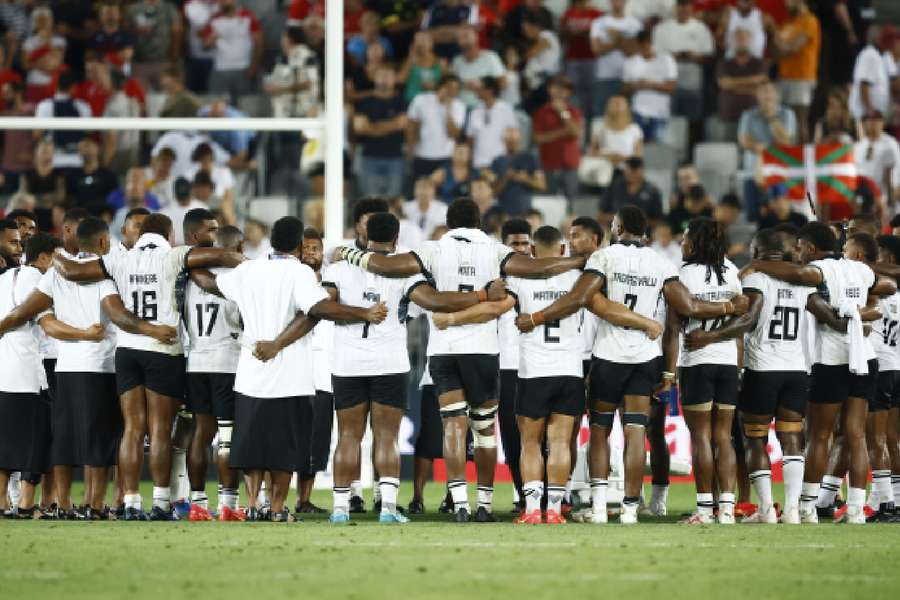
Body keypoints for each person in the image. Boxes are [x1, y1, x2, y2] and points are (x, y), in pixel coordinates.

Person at [333, 198, 591, 522]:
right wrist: (577, 261)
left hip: (444, 351)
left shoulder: (433, 249)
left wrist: (349, 252)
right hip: (483, 350)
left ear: (449, 222)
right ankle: (484, 505)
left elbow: (385, 266)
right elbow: (538, 269)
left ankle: (460, 506)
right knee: (484, 432)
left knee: (453, 428)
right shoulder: (495, 250)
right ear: (479, 222)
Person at [515, 205, 749, 524]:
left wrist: (537, 317)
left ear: (619, 227)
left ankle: (598, 507)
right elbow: (687, 306)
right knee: (636, 431)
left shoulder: (605, 257)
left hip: (609, 355)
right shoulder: (661, 262)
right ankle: (628, 509)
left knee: (599, 430)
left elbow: (580, 297)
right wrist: (727, 305)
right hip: (645, 358)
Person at [51, 213, 244, 520]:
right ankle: (160, 502)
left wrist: (54, 255)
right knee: (159, 431)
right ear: (169, 236)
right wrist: (249, 263)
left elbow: (75, 272)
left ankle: (130, 502)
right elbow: (221, 254)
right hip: (162, 348)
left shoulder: (119, 260)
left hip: (127, 350)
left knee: (132, 429)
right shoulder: (173, 256)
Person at [208, 216, 389, 522]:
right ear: (297, 245)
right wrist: (364, 313)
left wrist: (188, 262)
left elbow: (212, 284)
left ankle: (253, 505)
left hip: (251, 371)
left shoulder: (247, 270)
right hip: (291, 376)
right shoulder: (299, 272)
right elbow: (319, 309)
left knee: (251, 445)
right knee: (283, 447)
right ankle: (278, 509)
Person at [747, 224, 892, 524]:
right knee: (856, 435)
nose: (797, 252)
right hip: (864, 358)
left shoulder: (817, 269)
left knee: (819, 435)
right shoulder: (860, 270)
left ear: (811, 248)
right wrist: (859, 307)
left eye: (800, 247)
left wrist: (758, 263)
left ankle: (808, 507)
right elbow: (888, 285)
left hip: (831, 360)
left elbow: (800, 276)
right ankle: (855, 510)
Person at [685, 228, 813, 524]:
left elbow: (748, 318)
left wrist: (711, 335)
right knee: (792, 438)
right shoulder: (802, 282)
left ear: (757, 252)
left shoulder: (756, 278)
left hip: (762, 369)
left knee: (755, 439)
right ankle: (793, 510)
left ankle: (767, 509)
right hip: (796, 369)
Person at [666, 218, 743, 524]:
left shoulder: (684, 274)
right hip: (727, 361)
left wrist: (667, 373)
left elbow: (674, 325)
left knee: (700, 436)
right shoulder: (732, 271)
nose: (682, 244)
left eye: (685, 239)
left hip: (696, 362)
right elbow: (742, 316)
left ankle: (703, 510)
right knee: (724, 437)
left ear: (695, 243)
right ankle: (726, 509)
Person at [178, 210, 244, 521]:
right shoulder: (237, 281)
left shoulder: (188, 279)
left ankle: (197, 504)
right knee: (227, 436)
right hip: (227, 362)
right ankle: (228, 505)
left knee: (201, 432)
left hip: (196, 361)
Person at [0, 233, 61, 518]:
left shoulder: (4, 277)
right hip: (29, 373)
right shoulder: (41, 281)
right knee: (37, 439)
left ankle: (1, 502)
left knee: (5, 439)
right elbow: (45, 323)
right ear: (45, 256)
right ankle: (25, 504)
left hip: (3, 371)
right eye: (57, 257)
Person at [296, 227, 333, 514]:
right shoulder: (288, 281)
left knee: (317, 437)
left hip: (324, 370)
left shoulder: (334, 281)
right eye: (305, 248)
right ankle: (276, 497)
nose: (310, 253)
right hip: (292, 368)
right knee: (288, 434)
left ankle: (304, 499)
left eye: (315, 248)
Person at [865, 235, 900, 519]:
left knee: (875, 437)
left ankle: (885, 502)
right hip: (898, 367)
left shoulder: (877, 291)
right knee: (893, 438)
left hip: (880, 367)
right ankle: (897, 501)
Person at [738, 82, 797, 222]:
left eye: (770, 91)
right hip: (752, 172)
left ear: (777, 95)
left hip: (780, 172)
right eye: (764, 91)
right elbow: (744, 141)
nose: (767, 95)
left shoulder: (787, 114)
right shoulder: (748, 115)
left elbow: (786, 141)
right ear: (757, 95)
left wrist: (772, 118)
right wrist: (762, 149)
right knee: (753, 216)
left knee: (781, 216)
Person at [653, 0, 715, 133]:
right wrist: (676, 56)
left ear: (692, 8)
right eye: (681, 6)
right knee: (670, 124)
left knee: (694, 124)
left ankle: (693, 153)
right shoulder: (662, 28)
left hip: (693, 86)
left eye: (687, 6)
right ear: (675, 8)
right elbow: (656, 57)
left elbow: (709, 56)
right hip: (668, 86)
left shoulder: (701, 28)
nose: (683, 9)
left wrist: (693, 56)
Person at [353, 65, 408, 198]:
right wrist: (391, 125)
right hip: (369, 157)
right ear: (374, 78)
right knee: (370, 201)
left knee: (393, 201)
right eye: (381, 75)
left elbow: (401, 124)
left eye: (388, 75)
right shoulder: (364, 102)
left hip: (395, 158)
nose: (384, 79)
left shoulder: (402, 102)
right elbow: (360, 128)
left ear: (395, 79)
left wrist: (372, 127)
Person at [533, 75, 584, 206]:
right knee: (550, 203)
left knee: (572, 204)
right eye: (556, 87)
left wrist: (563, 113)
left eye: (564, 88)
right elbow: (538, 138)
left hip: (570, 164)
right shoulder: (541, 112)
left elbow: (576, 132)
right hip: (549, 165)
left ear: (569, 92)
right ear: (549, 89)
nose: (560, 91)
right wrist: (563, 132)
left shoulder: (574, 111)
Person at [774, 0, 820, 143]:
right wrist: (780, 45)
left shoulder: (809, 21)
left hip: (802, 78)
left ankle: (803, 158)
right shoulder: (788, 23)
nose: (786, 4)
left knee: (800, 120)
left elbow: (792, 48)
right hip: (783, 76)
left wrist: (773, 34)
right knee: (784, 119)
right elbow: (777, 50)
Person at [589, 0, 642, 123]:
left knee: (625, 117)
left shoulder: (635, 24)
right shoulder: (599, 23)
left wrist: (614, 39)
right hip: (604, 76)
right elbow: (597, 50)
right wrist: (621, 41)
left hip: (628, 77)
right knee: (601, 116)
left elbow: (633, 51)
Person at [201, 0, 263, 105]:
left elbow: (259, 42)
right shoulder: (214, 19)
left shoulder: (247, 16)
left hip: (243, 69)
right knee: (219, 106)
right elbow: (205, 46)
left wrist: (254, 65)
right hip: (220, 69)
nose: (223, 2)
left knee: (244, 105)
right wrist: (212, 38)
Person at [407, 74, 466, 181]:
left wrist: (448, 110)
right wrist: (411, 148)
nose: (452, 92)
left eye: (456, 89)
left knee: (442, 194)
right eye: (449, 87)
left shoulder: (459, 106)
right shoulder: (420, 100)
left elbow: (454, 135)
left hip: (446, 157)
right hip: (422, 155)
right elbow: (411, 126)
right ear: (441, 86)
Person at [622, 29, 677, 143]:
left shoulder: (666, 60)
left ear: (651, 43)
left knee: (655, 149)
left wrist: (651, 85)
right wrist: (636, 86)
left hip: (660, 113)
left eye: (646, 45)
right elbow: (624, 89)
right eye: (640, 46)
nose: (643, 49)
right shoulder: (631, 62)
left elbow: (671, 88)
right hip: (638, 112)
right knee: (637, 147)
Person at [716, 27, 769, 139]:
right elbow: (724, 85)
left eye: (744, 39)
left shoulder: (759, 63)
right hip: (730, 116)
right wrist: (752, 82)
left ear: (750, 41)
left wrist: (733, 85)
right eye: (738, 39)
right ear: (733, 42)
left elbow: (761, 88)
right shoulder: (724, 64)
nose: (741, 41)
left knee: (753, 152)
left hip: (754, 117)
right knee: (729, 151)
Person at [34, 72, 91, 169]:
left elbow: (37, 134)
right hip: (75, 160)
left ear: (56, 85)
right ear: (73, 87)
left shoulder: (44, 106)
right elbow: (88, 133)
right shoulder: (83, 106)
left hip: (52, 161)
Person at [561, 0, 603, 124]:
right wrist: (570, 32)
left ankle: (589, 128)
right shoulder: (569, 13)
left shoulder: (596, 13)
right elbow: (562, 34)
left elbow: (599, 36)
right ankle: (574, 123)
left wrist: (582, 33)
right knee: (572, 93)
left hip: (590, 58)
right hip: (572, 58)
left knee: (591, 94)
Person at [264, 27, 320, 119]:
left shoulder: (307, 57)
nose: (281, 41)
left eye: (283, 37)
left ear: (290, 39)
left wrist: (282, 89)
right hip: (282, 112)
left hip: (301, 112)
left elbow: (310, 83)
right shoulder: (282, 58)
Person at [491, 127, 546, 216]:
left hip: (525, 212)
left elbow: (542, 185)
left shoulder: (530, 159)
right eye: (509, 140)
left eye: (514, 140)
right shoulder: (497, 162)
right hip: (503, 214)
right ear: (503, 140)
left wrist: (525, 179)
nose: (512, 143)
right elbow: (492, 193)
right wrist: (505, 178)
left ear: (520, 140)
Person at [466, 76, 517, 171]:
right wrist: (471, 162)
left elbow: (513, 138)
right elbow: (471, 140)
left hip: (500, 162)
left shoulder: (506, 109)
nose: (476, 91)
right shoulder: (474, 111)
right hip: (479, 163)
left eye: (479, 88)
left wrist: (510, 161)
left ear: (489, 90)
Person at [450, 24, 504, 109]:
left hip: (486, 108)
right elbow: (450, 86)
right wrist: (463, 85)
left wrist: (482, 85)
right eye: (459, 37)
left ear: (476, 37)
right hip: (461, 109)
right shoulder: (456, 61)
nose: (463, 40)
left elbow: (503, 82)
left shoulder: (490, 57)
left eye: (466, 35)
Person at [854, 110, 900, 207]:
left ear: (882, 122)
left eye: (876, 120)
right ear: (864, 123)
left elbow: (896, 170)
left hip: (884, 197)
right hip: (864, 197)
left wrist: (892, 194)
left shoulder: (891, 144)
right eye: (869, 120)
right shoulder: (859, 146)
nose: (873, 123)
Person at [601, 157, 663, 226]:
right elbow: (600, 215)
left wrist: (636, 222)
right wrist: (618, 219)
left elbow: (658, 221)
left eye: (635, 169)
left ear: (642, 170)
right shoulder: (613, 187)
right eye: (629, 169)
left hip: (642, 233)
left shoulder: (653, 191)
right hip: (615, 231)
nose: (631, 173)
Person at [849, 26, 893, 121]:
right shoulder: (869, 54)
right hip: (863, 115)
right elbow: (864, 84)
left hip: (876, 115)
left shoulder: (884, 56)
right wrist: (869, 110)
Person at [66, 139, 119, 218]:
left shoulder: (109, 175)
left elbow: (115, 198)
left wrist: (109, 213)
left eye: (88, 146)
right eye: (82, 147)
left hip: (103, 216)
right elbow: (69, 199)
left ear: (98, 149)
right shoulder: (72, 175)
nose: (86, 150)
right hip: (79, 216)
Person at [588, 95, 643, 169]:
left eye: (620, 103)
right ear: (608, 106)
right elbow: (592, 151)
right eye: (614, 103)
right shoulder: (599, 126)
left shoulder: (634, 129)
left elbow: (638, 155)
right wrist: (609, 156)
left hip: (626, 168)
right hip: (603, 168)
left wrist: (623, 158)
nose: (617, 106)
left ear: (627, 107)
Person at [399, 31, 444, 104]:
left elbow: (446, 84)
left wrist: (435, 85)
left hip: (433, 103)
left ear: (431, 43)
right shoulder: (410, 61)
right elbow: (401, 80)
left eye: (423, 40)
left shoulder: (440, 62)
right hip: (412, 101)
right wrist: (410, 59)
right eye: (418, 40)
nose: (421, 44)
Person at [161, 178, 207, 246]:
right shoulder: (164, 213)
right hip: (173, 250)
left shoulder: (202, 209)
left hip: (196, 249)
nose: (183, 200)